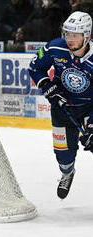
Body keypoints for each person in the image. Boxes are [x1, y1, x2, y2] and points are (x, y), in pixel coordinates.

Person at [29, 11, 93, 199]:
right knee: (63, 154)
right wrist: (47, 86)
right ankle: (67, 173)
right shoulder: (55, 48)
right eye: (67, 34)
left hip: (89, 108)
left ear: (87, 36)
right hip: (61, 107)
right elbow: (35, 67)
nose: (69, 39)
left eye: (75, 35)